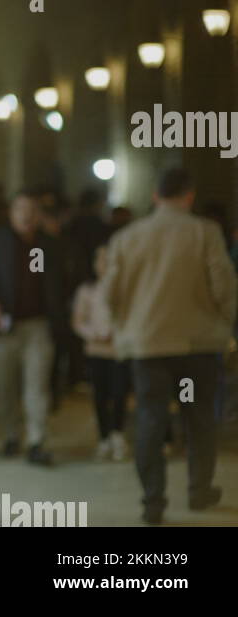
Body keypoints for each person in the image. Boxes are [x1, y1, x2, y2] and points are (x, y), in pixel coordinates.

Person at [102, 168, 237, 525]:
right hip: (196, 347)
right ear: (189, 195)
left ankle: (153, 501)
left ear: (155, 196)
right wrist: (225, 323)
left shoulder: (128, 238)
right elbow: (224, 285)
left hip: (148, 348)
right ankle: (198, 490)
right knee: (198, 419)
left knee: (149, 419)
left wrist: (123, 329)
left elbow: (110, 294)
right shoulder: (205, 232)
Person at [0, 191, 65, 465]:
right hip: (6, 326)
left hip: (39, 325)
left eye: (32, 210)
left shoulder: (49, 245)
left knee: (37, 385)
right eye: (21, 209)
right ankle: (11, 435)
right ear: (12, 213)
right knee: (5, 384)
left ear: (39, 215)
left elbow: (60, 281)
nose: (26, 215)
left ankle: (36, 440)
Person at [71, 246, 129, 461]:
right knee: (100, 395)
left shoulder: (125, 290)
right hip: (96, 350)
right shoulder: (87, 290)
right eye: (101, 260)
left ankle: (117, 434)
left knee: (120, 393)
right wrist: (93, 333)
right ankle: (104, 437)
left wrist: (116, 333)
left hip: (119, 350)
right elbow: (78, 320)